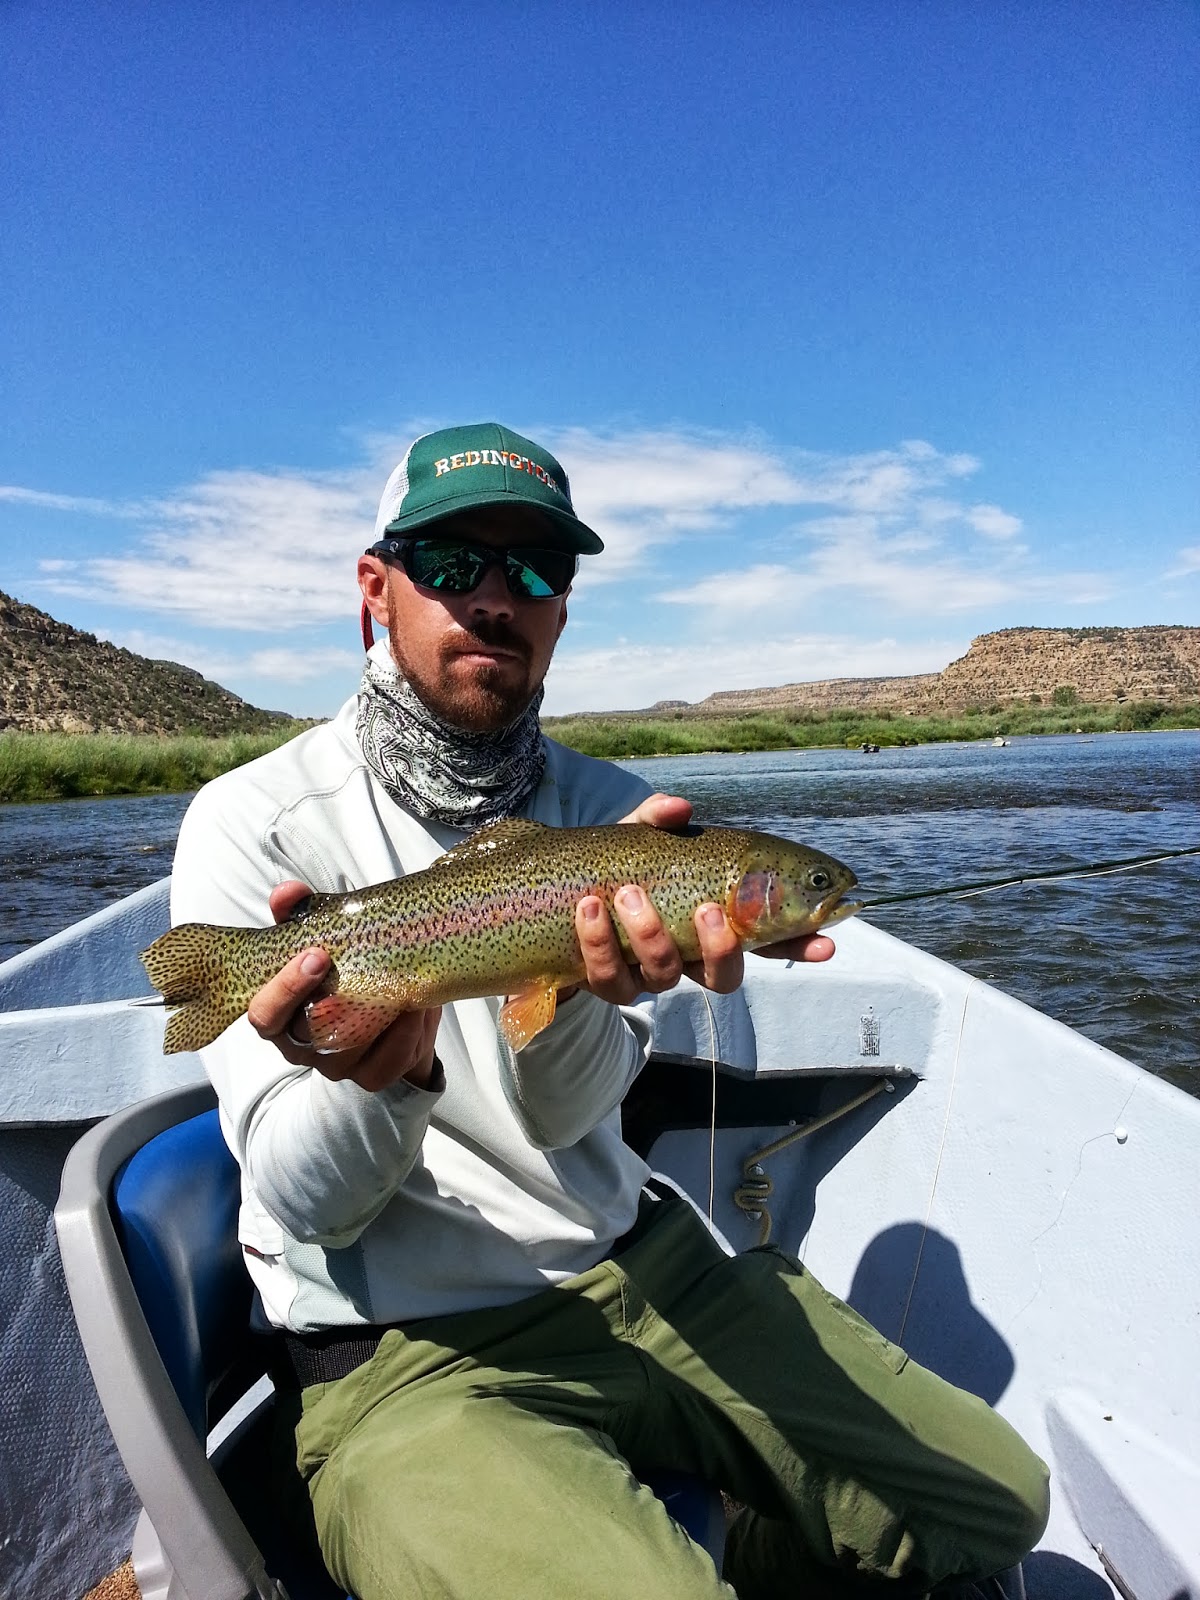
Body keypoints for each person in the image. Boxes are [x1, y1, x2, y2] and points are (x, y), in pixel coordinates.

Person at [171, 422, 1049, 1600]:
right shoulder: (252, 826)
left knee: (1000, 1500)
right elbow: (310, 1202)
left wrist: (586, 992)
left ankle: (733, 1537)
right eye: (450, 564)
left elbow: (564, 1113)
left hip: (641, 1272)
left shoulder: (630, 826)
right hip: (406, 1352)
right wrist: (382, 1076)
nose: (495, 597)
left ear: (564, 609)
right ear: (375, 590)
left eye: (534, 570)